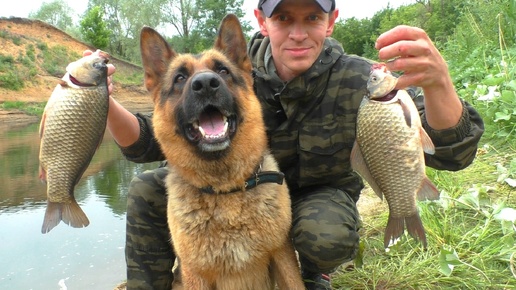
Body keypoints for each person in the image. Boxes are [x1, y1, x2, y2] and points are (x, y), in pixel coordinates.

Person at [90, 0, 484, 289]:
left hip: (317, 196)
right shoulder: (242, 72)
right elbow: (147, 142)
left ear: (331, 22)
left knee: (324, 234)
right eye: (283, 18)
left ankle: (314, 275)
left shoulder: (365, 80)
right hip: (232, 184)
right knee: (144, 187)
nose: (298, 33)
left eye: (312, 17)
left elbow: (454, 153)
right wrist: (101, 102)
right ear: (262, 21)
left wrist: (439, 84)